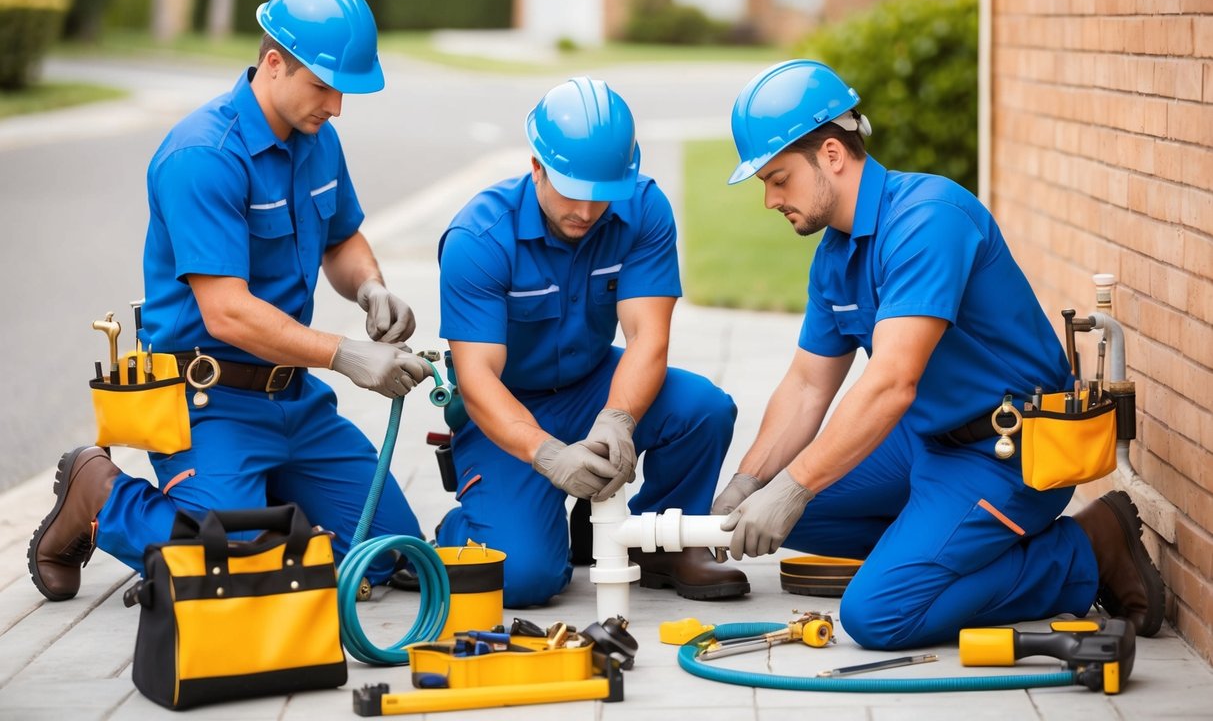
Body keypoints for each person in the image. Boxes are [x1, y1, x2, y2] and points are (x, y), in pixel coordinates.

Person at [712, 59, 1166, 650]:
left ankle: (1086, 548)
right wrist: (751, 480)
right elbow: (806, 384)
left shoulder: (926, 218)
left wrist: (794, 483)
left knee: (877, 616)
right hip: (923, 441)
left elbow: (892, 382)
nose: (770, 200)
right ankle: (930, 553)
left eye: (777, 179)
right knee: (775, 514)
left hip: (1006, 451)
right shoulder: (836, 255)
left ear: (830, 154)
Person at [28, 0, 429, 601]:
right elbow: (228, 314)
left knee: (388, 556)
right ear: (274, 64)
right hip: (210, 403)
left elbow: (342, 238)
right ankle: (98, 490)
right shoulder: (203, 155)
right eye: (324, 87)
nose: (338, 107)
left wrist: (372, 288)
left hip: (293, 396)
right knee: (237, 572)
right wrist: (348, 355)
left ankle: (237, 519)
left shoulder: (317, 139)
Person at [435, 76, 749, 607]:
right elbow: (477, 377)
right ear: (537, 168)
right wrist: (546, 454)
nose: (585, 212)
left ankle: (657, 544)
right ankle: (463, 529)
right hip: (507, 407)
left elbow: (648, 336)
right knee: (526, 578)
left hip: (593, 384)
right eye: (572, 193)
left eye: (601, 197)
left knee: (704, 409)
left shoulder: (644, 209)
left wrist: (619, 417)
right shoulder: (479, 239)